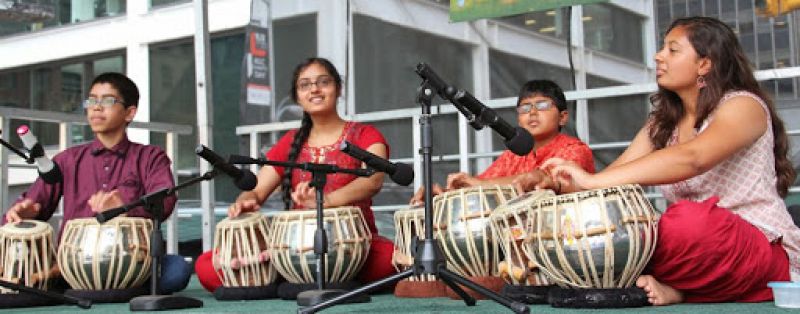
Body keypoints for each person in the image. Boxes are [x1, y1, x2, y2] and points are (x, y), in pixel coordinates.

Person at [542, 16, 799, 306]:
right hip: (691, 251)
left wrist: (592, 180)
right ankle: (681, 289)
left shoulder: (743, 105)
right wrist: (557, 186)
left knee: (688, 223)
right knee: (636, 233)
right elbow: (610, 181)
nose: (658, 56)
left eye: (672, 50)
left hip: (755, 246)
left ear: (705, 64)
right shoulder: (661, 124)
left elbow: (694, 158)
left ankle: (679, 289)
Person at [194, 57, 396, 292]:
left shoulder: (365, 134)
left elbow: (374, 179)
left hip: (353, 246)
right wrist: (245, 203)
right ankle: (291, 273)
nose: (315, 90)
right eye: (305, 85)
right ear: (297, 97)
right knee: (206, 267)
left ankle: (288, 279)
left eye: (323, 82)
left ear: (338, 89)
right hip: (295, 249)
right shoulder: (290, 141)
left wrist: (324, 201)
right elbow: (257, 189)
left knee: (388, 260)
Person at [3, 72, 192, 294]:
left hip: (131, 258)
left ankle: (86, 285)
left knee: (177, 269)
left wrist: (124, 207)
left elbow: (165, 200)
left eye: (107, 101)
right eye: (92, 100)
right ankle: (77, 280)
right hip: (72, 260)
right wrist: (24, 212)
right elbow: (36, 203)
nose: (96, 107)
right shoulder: (67, 160)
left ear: (130, 112)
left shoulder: (150, 157)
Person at [409, 79, 594, 205]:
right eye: (525, 107)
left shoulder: (575, 150)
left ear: (563, 117)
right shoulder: (512, 156)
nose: (533, 112)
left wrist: (478, 184)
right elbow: (480, 185)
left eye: (543, 105)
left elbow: (549, 180)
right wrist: (441, 195)